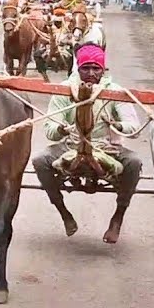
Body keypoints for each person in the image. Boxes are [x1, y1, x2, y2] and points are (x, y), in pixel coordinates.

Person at [31, 44, 142, 244]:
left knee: (134, 162)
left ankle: (118, 217)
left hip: (107, 147)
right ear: (78, 68)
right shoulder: (65, 90)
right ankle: (63, 211)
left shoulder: (115, 92)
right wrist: (60, 129)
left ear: (103, 69)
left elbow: (134, 126)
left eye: (96, 68)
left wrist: (118, 126)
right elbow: (50, 127)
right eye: (85, 68)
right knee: (39, 160)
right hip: (71, 145)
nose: (91, 73)